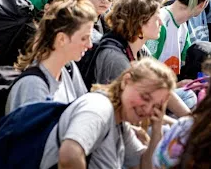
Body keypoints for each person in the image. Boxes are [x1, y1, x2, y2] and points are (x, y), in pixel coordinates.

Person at [41, 59, 175, 169]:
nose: (147, 109)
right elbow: (70, 155)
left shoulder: (120, 124)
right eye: (145, 97)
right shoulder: (99, 108)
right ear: (126, 81)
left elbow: (144, 166)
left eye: (156, 106)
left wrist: (157, 129)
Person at [86, 0, 192, 116]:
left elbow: (162, 87)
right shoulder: (115, 59)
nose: (161, 23)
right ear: (140, 22)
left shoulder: (140, 49)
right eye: (156, 18)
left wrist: (191, 120)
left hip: (136, 109)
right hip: (115, 122)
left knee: (188, 96)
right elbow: (121, 113)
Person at [6, 0, 95, 114]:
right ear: (61, 39)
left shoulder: (68, 69)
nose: (90, 45)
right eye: (84, 38)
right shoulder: (33, 87)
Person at [145, 0, 211, 75]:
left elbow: (183, 64)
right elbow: (145, 71)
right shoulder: (160, 23)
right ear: (203, 4)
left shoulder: (182, 24)